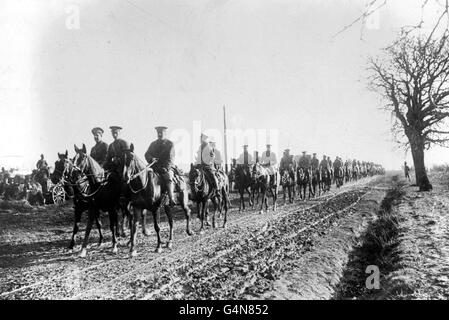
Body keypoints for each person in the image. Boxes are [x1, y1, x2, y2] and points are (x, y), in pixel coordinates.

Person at [145, 126, 176, 206]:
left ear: (165, 133)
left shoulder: (170, 144)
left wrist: (166, 167)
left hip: (166, 167)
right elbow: (147, 154)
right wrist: (151, 159)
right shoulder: (153, 144)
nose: (159, 134)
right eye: (158, 133)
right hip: (154, 167)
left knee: (168, 177)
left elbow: (170, 158)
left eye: (161, 133)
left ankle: (171, 198)